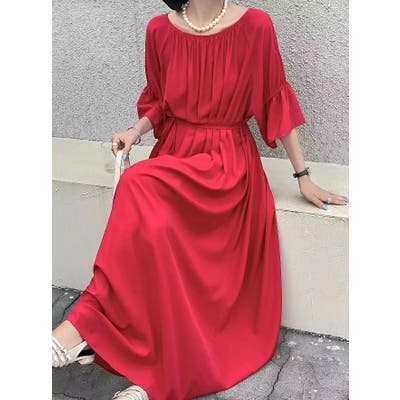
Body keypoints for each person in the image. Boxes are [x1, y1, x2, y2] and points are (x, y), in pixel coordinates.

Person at [52, 1, 348, 399]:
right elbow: (160, 101)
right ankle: (110, 344)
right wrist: (135, 132)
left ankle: (102, 342)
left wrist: (303, 176)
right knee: (150, 219)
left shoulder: (255, 26)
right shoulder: (159, 31)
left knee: (139, 185)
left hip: (226, 164)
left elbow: (273, 97)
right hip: (176, 155)